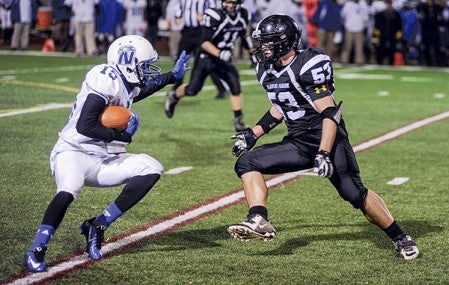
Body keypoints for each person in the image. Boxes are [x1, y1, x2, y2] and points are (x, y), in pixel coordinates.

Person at [227, 14, 420, 260]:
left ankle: (400, 237)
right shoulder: (266, 69)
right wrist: (253, 134)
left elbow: (330, 113)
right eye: (262, 41)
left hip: (328, 137)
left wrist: (324, 153)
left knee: (354, 193)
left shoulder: (308, 64)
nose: (263, 47)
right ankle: (258, 219)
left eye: (268, 41)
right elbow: (281, 106)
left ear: (285, 42)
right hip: (298, 142)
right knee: (246, 162)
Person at [22, 35, 190, 273]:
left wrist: (171, 77)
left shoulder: (123, 82)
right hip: (74, 151)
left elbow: (138, 92)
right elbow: (85, 126)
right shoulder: (104, 77)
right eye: (143, 66)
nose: (147, 71)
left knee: (152, 168)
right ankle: (37, 248)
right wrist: (124, 137)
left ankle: (97, 225)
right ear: (128, 63)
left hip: (103, 158)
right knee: (69, 187)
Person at [164, 0, 254, 132]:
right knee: (192, 90)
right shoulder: (215, 15)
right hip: (206, 57)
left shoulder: (243, 14)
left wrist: (252, 53)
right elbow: (204, 43)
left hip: (223, 58)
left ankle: (238, 121)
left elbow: (243, 35)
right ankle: (174, 96)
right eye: (227, 2)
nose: (230, 5)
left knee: (235, 86)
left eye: (233, 2)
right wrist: (219, 53)